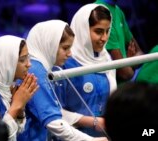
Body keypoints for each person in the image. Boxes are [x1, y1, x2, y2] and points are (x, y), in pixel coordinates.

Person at [17, 20, 108, 141]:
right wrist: (90, 140)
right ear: (50, 44)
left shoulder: (43, 68)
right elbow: (53, 122)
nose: (70, 54)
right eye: (65, 48)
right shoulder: (36, 71)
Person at [55, 4, 116, 137]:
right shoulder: (64, 63)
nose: (105, 38)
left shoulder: (106, 59)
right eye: (99, 31)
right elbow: (53, 113)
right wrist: (92, 122)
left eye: (107, 31)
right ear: (83, 30)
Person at [0, 35, 39, 141]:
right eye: (22, 60)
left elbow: (18, 134)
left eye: (28, 58)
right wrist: (16, 106)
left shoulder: (8, 87)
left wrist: (20, 110)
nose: (29, 64)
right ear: (5, 62)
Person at [95, 0, 143, 83]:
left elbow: (140, 54)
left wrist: (128, 63)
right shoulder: (99, 11)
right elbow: (124, 73)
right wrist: (130, 62)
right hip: (109, 88)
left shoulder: (118, 10)